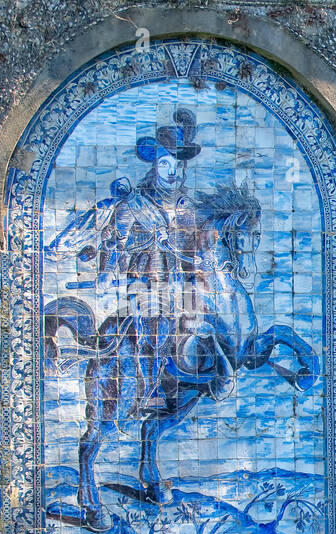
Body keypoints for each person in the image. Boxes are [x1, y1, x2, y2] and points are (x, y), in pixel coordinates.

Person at [96, 108, 204, 438]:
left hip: (179, 281)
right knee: (154, 330)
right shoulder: (135, 204)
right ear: (155, 167)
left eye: (176, 165)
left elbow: (193, 249)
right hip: (146, 279)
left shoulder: (186, 205)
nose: (171, 172)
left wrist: (194, 267)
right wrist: (109, 268)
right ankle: (149, 389)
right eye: (164, 164)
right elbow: (115, 240)